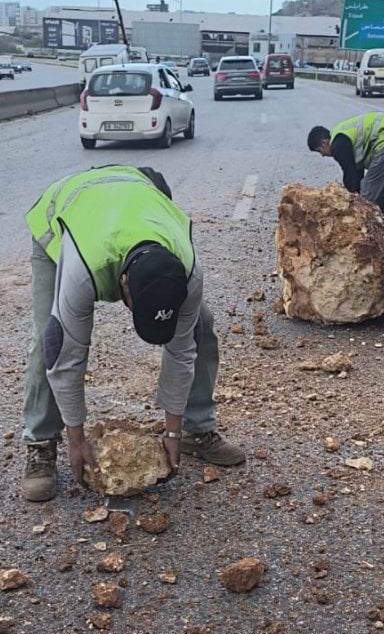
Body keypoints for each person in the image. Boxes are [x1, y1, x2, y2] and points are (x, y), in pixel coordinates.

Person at [21, 164, 245, 501]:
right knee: (48, 342)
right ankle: (40, 444)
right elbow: (67, 356)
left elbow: (181, 352)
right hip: (64, 222)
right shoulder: (85, 267)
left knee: (200, 328)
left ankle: (194, 431)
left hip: (133, 205)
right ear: (122, 284)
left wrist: (171, 431)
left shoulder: (188, 269)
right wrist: (77, 440)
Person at [307, 112, 384, 212]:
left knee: (367, 193)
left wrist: (350, 201)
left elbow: (350, 174)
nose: (323, 155)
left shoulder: (338, 145)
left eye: (320, 151)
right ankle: (379, 224)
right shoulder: (341, 137)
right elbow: (356, 173)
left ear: (324, 143)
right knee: (378, 188)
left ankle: (366, 227)